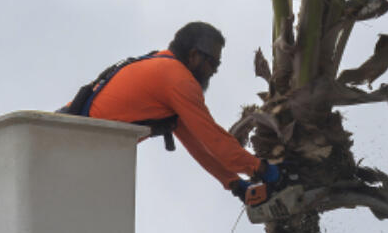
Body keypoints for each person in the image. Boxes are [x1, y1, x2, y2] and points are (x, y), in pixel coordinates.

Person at [69, 22, 280, 201]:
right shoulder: (178, 80)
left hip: (71, 137)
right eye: (213, 62)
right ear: (194, 55)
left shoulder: (159, 63)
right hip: (72, 144)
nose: (215, 70)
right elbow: (214, 139)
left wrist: (234, 183)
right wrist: (261, 169)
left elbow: (198, 144)